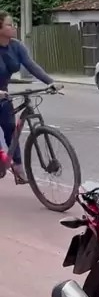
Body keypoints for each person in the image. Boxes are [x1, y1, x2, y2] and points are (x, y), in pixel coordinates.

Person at [0, 11, 55, 184]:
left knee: (10, 128)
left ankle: (17, 165)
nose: (14, 27)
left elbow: (31, 65)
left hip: (3, 94)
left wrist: (50, 82)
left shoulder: (16, 46)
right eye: (9, 24)